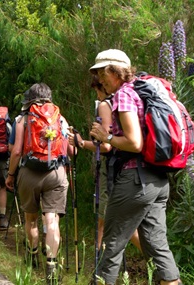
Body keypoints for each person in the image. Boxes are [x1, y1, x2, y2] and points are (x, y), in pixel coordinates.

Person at [88, 49, 181, 285]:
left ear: (114, 71)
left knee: (111, 246)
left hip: (135, 180)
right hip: (157, 181)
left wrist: (105, 137)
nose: (99, 80)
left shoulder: (124, 94)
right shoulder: (141, 91)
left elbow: (134, 142)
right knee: (158, 249)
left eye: (101, 74)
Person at [6, 83, 74, 284]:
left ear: (29, 99)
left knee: (31, 219)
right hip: (56, 173)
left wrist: (10, 175)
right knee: (52, 220)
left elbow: (16, 151)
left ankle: (33, 254)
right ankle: (51, 266)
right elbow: (72, 151)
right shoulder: (60, 118)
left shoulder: (22, 119)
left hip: (29, 173)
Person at [67, 75, 141, 252]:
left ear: (102, 86)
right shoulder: (129, 98)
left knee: (111, 220)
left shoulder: (105, 105)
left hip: (112, 170)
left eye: (96, 90)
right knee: (116, 220)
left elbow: (106, 146)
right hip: (134, 169)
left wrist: (81, 142)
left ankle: (102, 263)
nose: (97, 95)